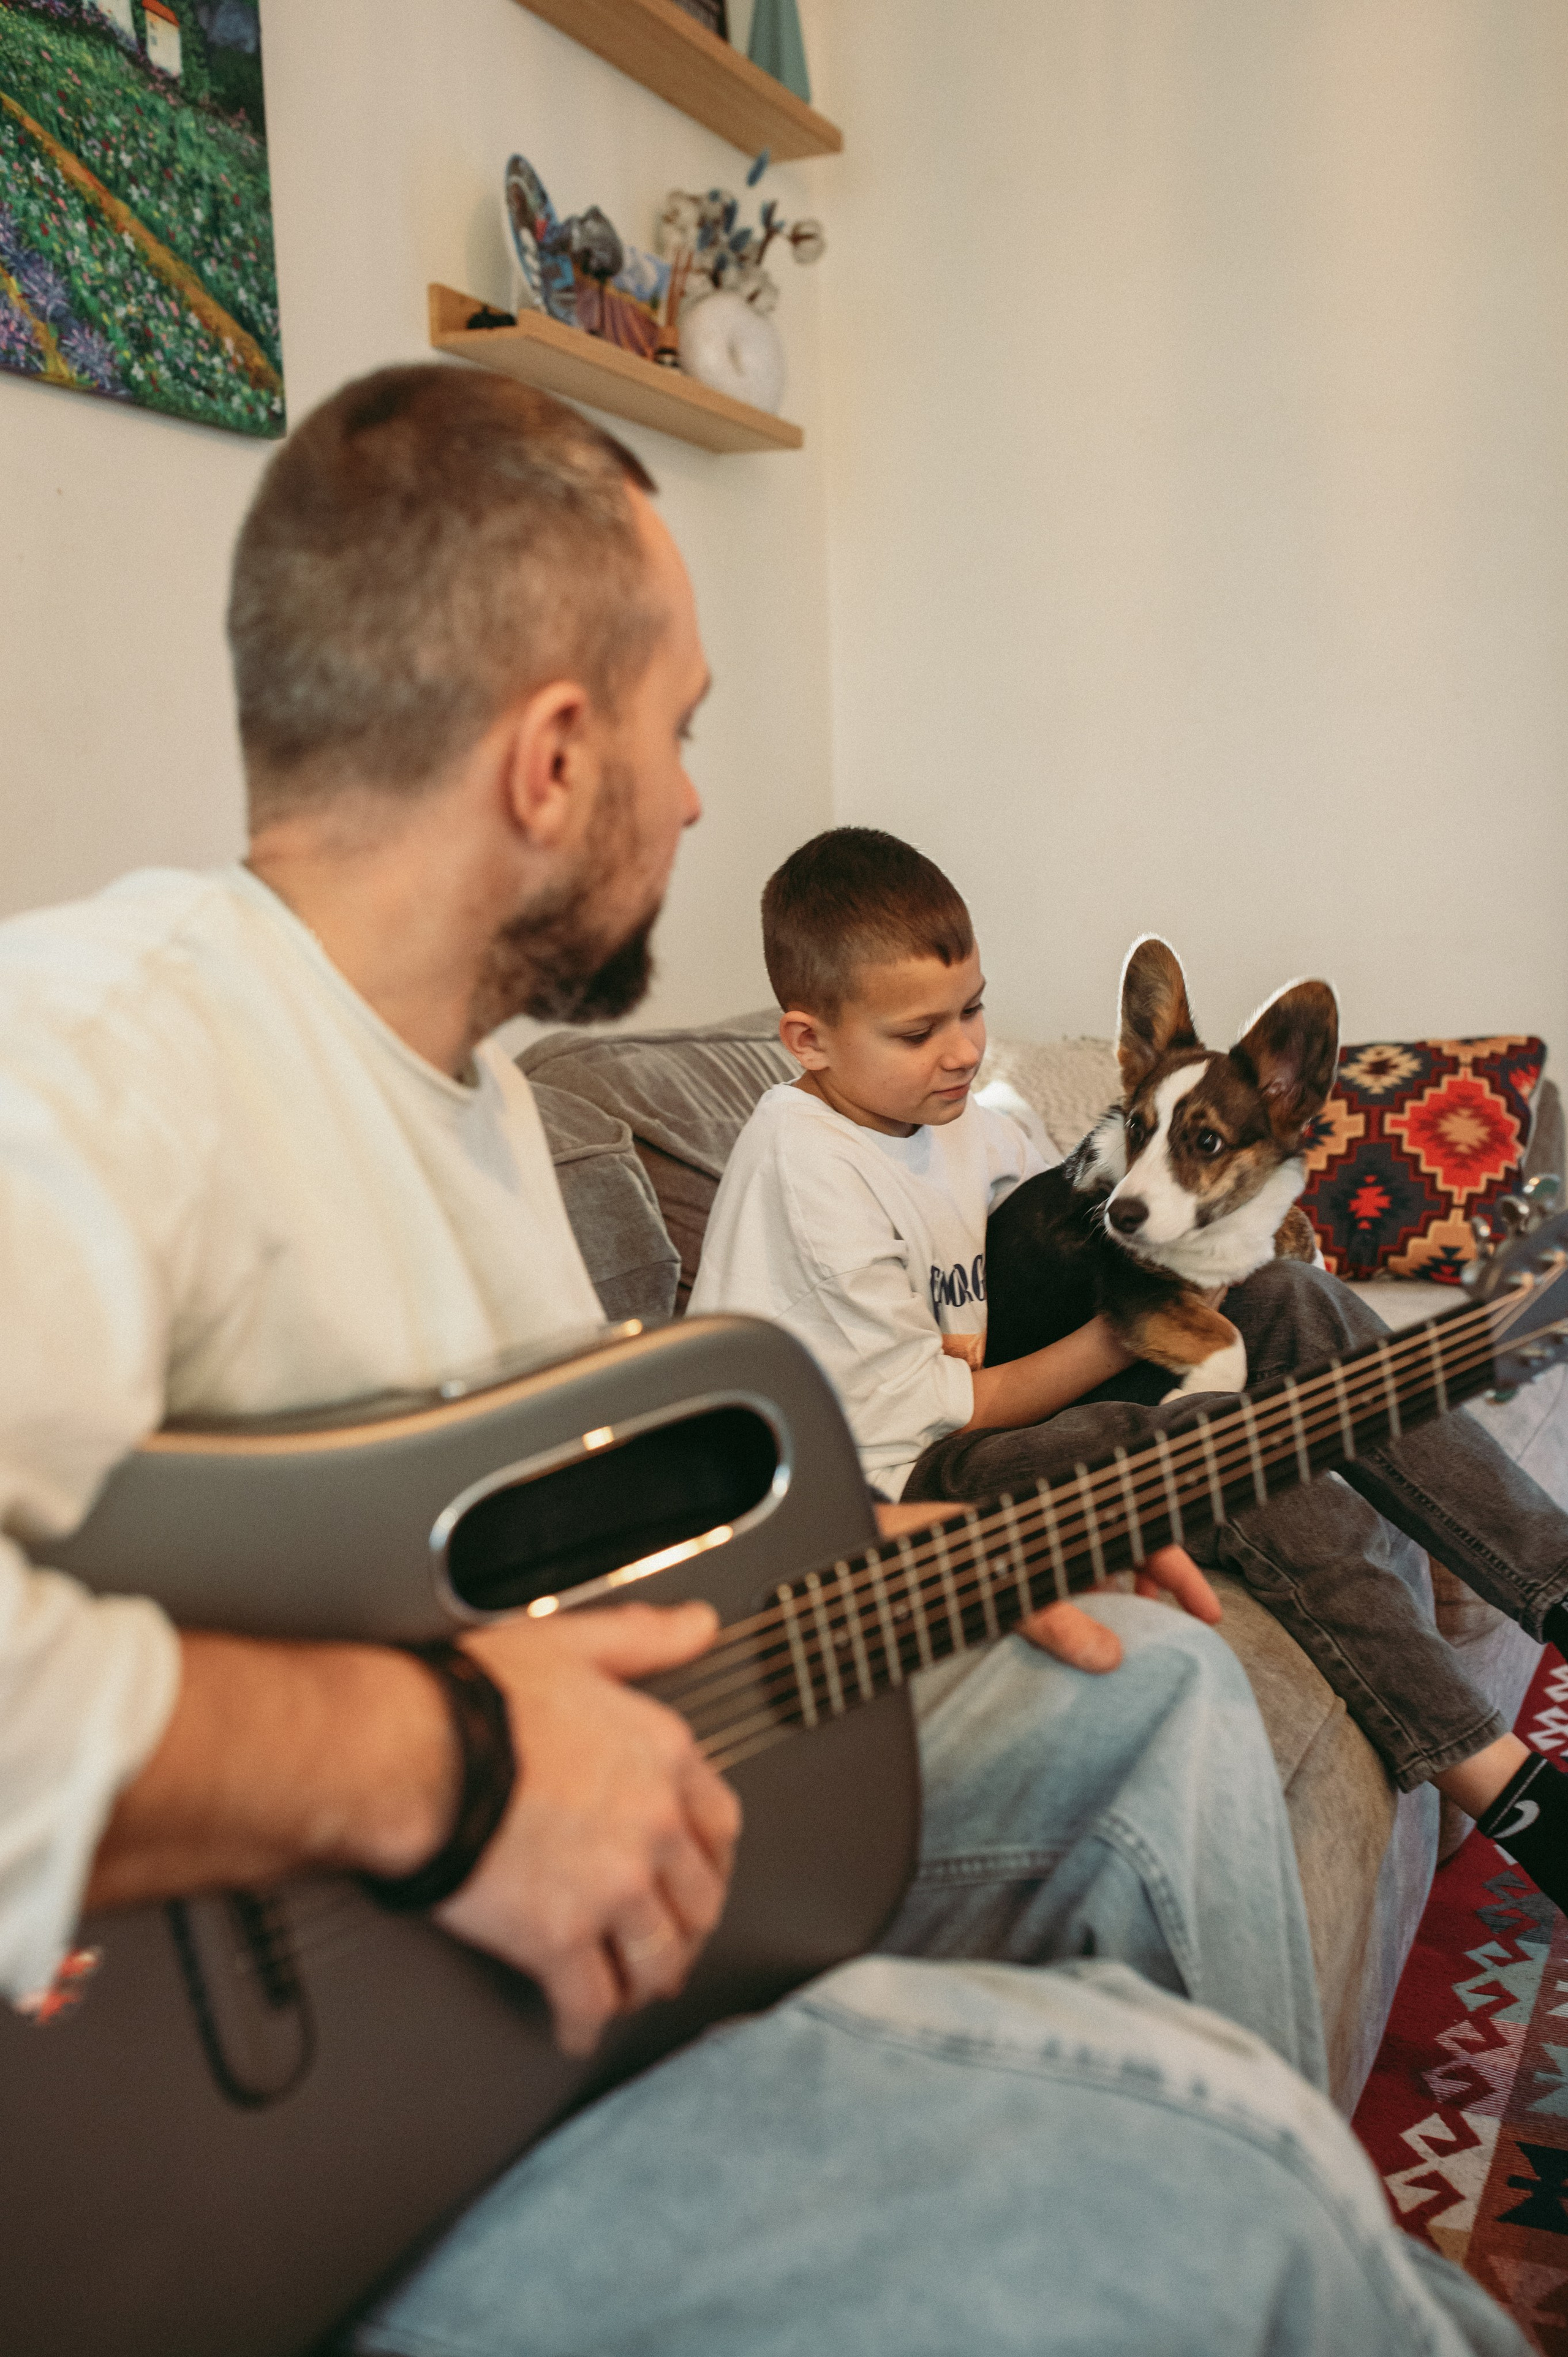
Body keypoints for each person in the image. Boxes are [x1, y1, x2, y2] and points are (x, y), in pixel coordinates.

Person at [0, 364, 1527, 2357]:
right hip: (343, 2121)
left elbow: (509, 1592)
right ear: (554, 757)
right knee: (1236, 2183)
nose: (705, 793)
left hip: (604, 1871)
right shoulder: (100, 1057)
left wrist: (894, 1532)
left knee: (1153, 1691)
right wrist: (448, 1770)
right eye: (681, 729)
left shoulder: (455, 1095)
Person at [691, 826, 1568, 1910]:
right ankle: (1510, 1788)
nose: (964, 1050)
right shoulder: (805, 1154)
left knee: (1293, 1303)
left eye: (973, 1009)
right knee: (1205, 1444)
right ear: (807, 1041)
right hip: (893, 1477)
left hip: (983, 1407)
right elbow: (957, 1406)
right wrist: (1124, 1338)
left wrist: (1235, 1254)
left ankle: (1557, 1578)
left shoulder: (968, 1121)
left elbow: (1075, 1234)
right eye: (920, 1031)